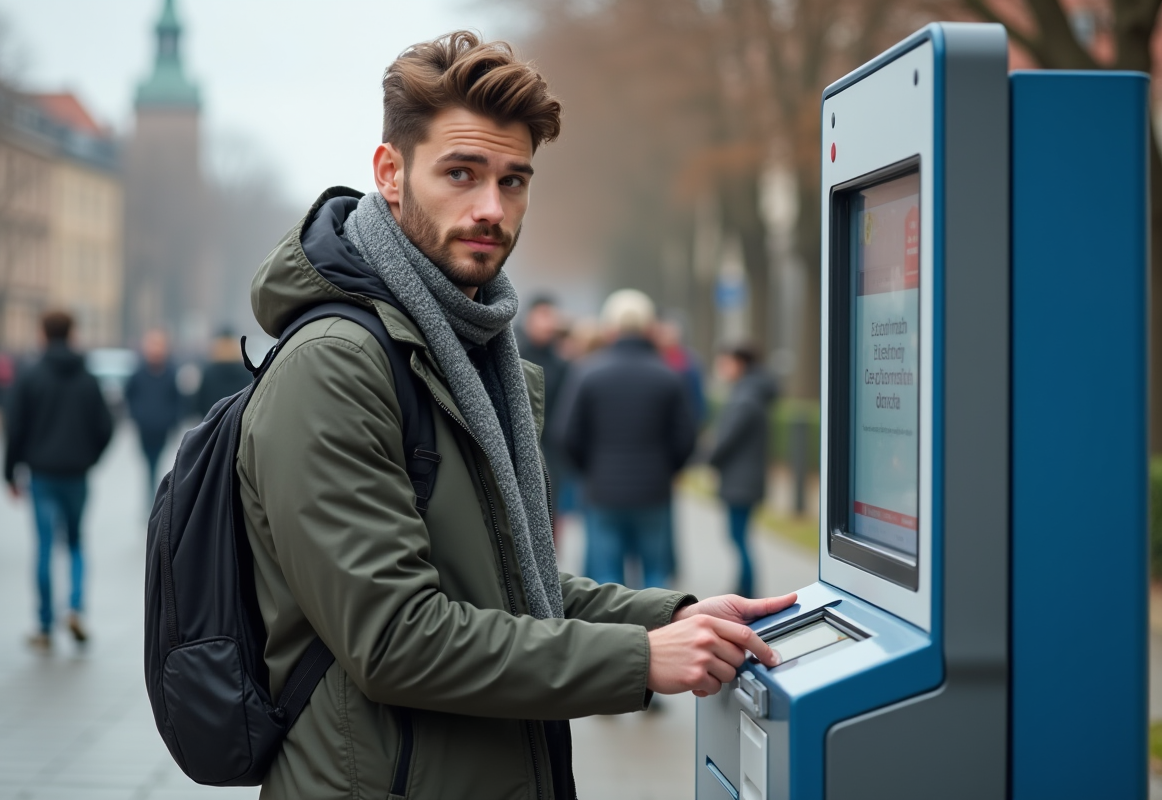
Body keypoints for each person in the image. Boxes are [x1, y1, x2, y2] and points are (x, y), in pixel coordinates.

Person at [236, 32, 792, 799]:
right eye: (461, 174)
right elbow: (395, 638)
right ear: (390, 174)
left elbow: (508, 585)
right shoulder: (336, 364)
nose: (491, 209)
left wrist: (678, 616)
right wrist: (642, 661)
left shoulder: (467, 350)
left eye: (514, 180)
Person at [555, 289, 698, 590]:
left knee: (607, 581)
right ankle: (663, 632)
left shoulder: (587, 373)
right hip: (654, 488)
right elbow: (686, 437)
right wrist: (667, 469)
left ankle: (619, 636)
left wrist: (589, 470)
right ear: (649, 328)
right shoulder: (668, 375)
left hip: (602, 489)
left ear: (610, 328)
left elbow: (566, 434)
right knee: (656, 576)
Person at [4, 310, 112, 650]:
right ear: (72, 333)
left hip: (42, 474)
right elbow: (106, 426)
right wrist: (90, 458)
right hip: (76, 475)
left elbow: (14, 426)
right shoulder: (87, 377)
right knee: (77, 541)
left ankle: (45, 624)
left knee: (45, 547)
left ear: (42, 333)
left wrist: (10, 470)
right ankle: (76, 608)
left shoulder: (30, 376)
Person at [708, 343, 779, 597]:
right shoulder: (751, 393)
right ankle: (743, 588)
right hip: (746, 478)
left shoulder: (745, 397)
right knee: (739, 536)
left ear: (739, 363)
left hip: (741, 480)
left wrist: (707, 457)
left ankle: (747, 592)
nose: (721, 369)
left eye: (725, 362)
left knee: (738, 537)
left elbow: (727, 439)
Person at [516, 295, 569, 534]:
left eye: (552, 317)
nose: (549, 324)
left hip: (551, 455)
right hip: (517, 448)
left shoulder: (561, 363)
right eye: (544, 316)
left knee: (550, 521)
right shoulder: (512, 354)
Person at [125, 329, 183, 494]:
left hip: (162, 427)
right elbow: (130, 396)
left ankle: (155, 493)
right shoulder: (139, 372)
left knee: (156, 461)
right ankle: (152, 494)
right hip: (145, 426)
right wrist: (137, 415)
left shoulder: (170, 372)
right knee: (149, 462)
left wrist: (172, 420)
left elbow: (177, 399)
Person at [194, 327, 252, 418]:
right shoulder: (246, 373)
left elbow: (199, 404)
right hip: (239, 425)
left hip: (213, 424)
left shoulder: (208, 372)